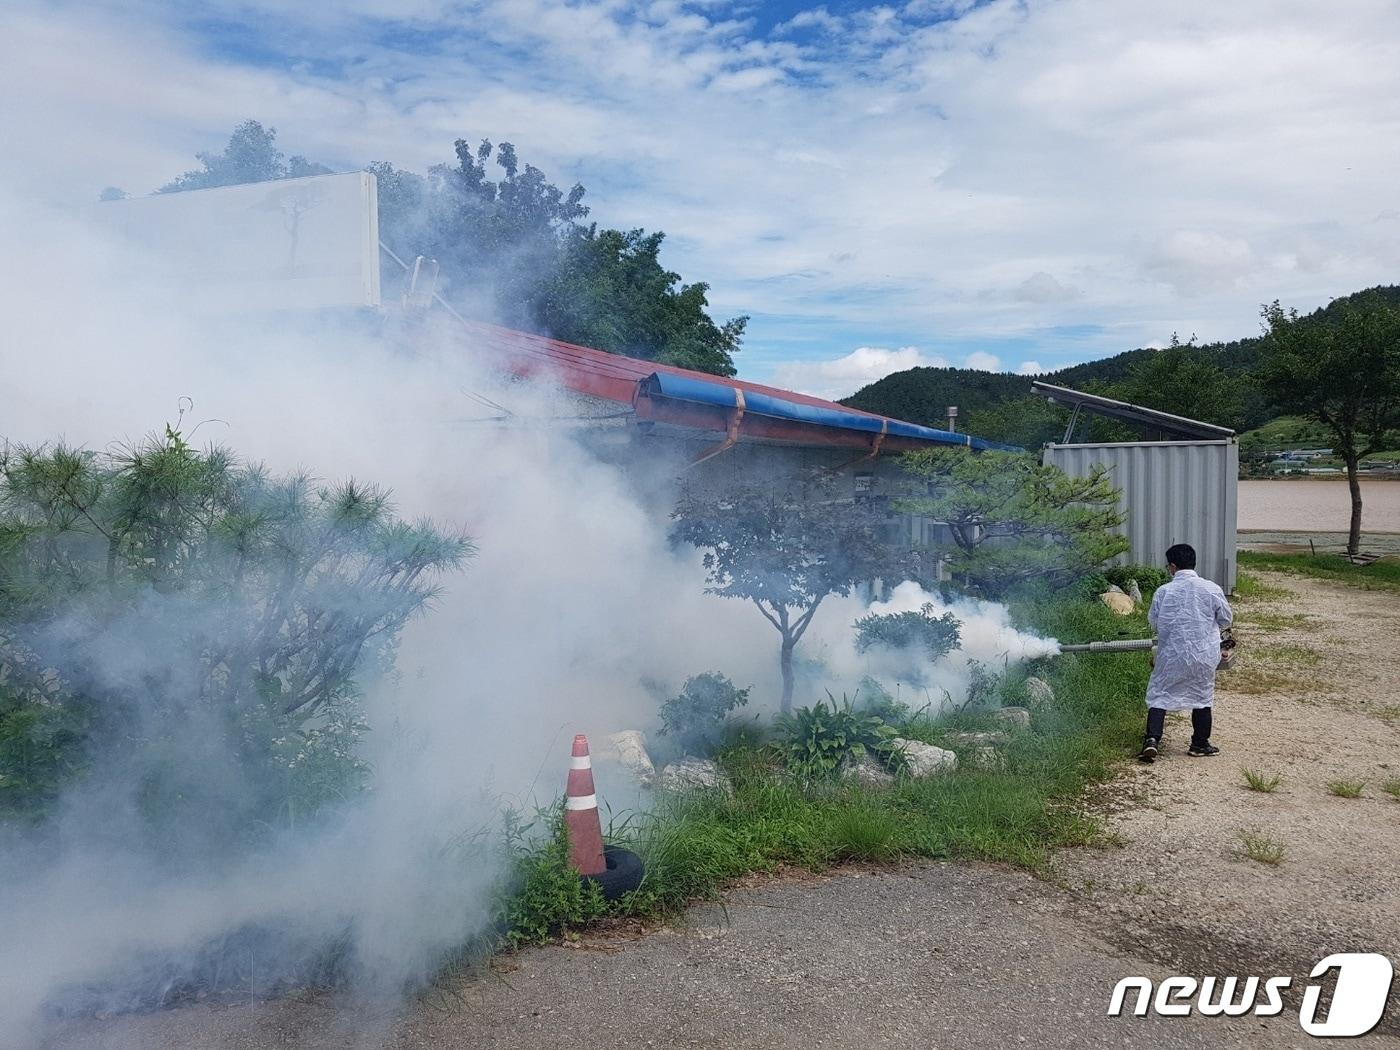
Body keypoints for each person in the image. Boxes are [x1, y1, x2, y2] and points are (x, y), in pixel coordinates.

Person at [1138, 543, 1232, 762]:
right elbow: (1226, 619)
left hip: (1171, 654)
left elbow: (1153, 622)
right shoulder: (1211, 588)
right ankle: (1199, 743)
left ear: (1172, 566)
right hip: (1203, 653)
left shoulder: (1164, 591)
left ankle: (1152, 740)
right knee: (1202, 696)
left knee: (1159, 693)